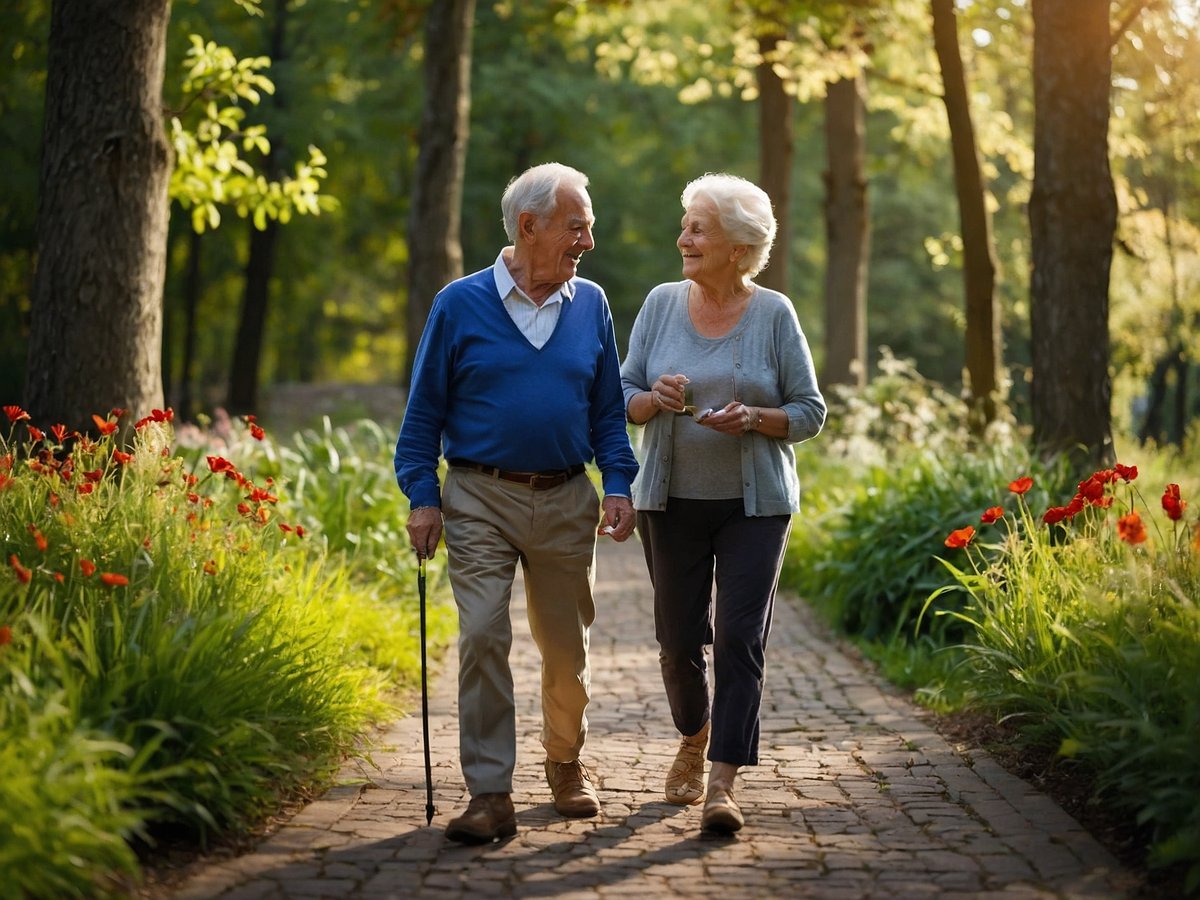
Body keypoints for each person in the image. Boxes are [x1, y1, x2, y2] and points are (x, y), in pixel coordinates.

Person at [395, 162, 639, 845]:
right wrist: (423, 496)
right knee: (481, 635)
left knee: (566, 651)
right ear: (530, 227)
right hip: (477, 496)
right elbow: (422, 418)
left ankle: (564, 760)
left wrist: (617, 481)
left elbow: (608, 413)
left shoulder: (590, 303)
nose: (588, 239)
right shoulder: (458, 304)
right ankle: (490, 793)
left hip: (565, 497)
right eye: (577, 226)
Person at [620, 172, 826, 834]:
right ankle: (695, 731)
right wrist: (655, 399)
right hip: (669, 500)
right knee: (678, 640)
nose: (683, 237)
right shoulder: (659, 304)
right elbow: (621, 393)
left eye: (697, 229)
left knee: (740, 635)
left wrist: (756, 419)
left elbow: (810, 411)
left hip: (754, 506)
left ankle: (722, 784)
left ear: (738, 246)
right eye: (685, 226)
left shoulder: (774, 314)